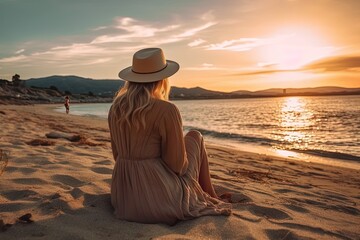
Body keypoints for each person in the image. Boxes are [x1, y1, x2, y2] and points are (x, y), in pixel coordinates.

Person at [108, 48, 231, 225]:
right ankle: (211, 195)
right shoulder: (166, 110)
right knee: (195, 136)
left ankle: (210, 194)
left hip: (124, 200)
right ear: (162, 79)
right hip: (160, 202)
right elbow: (177, 166)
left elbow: (116, 156)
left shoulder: (116, 108)